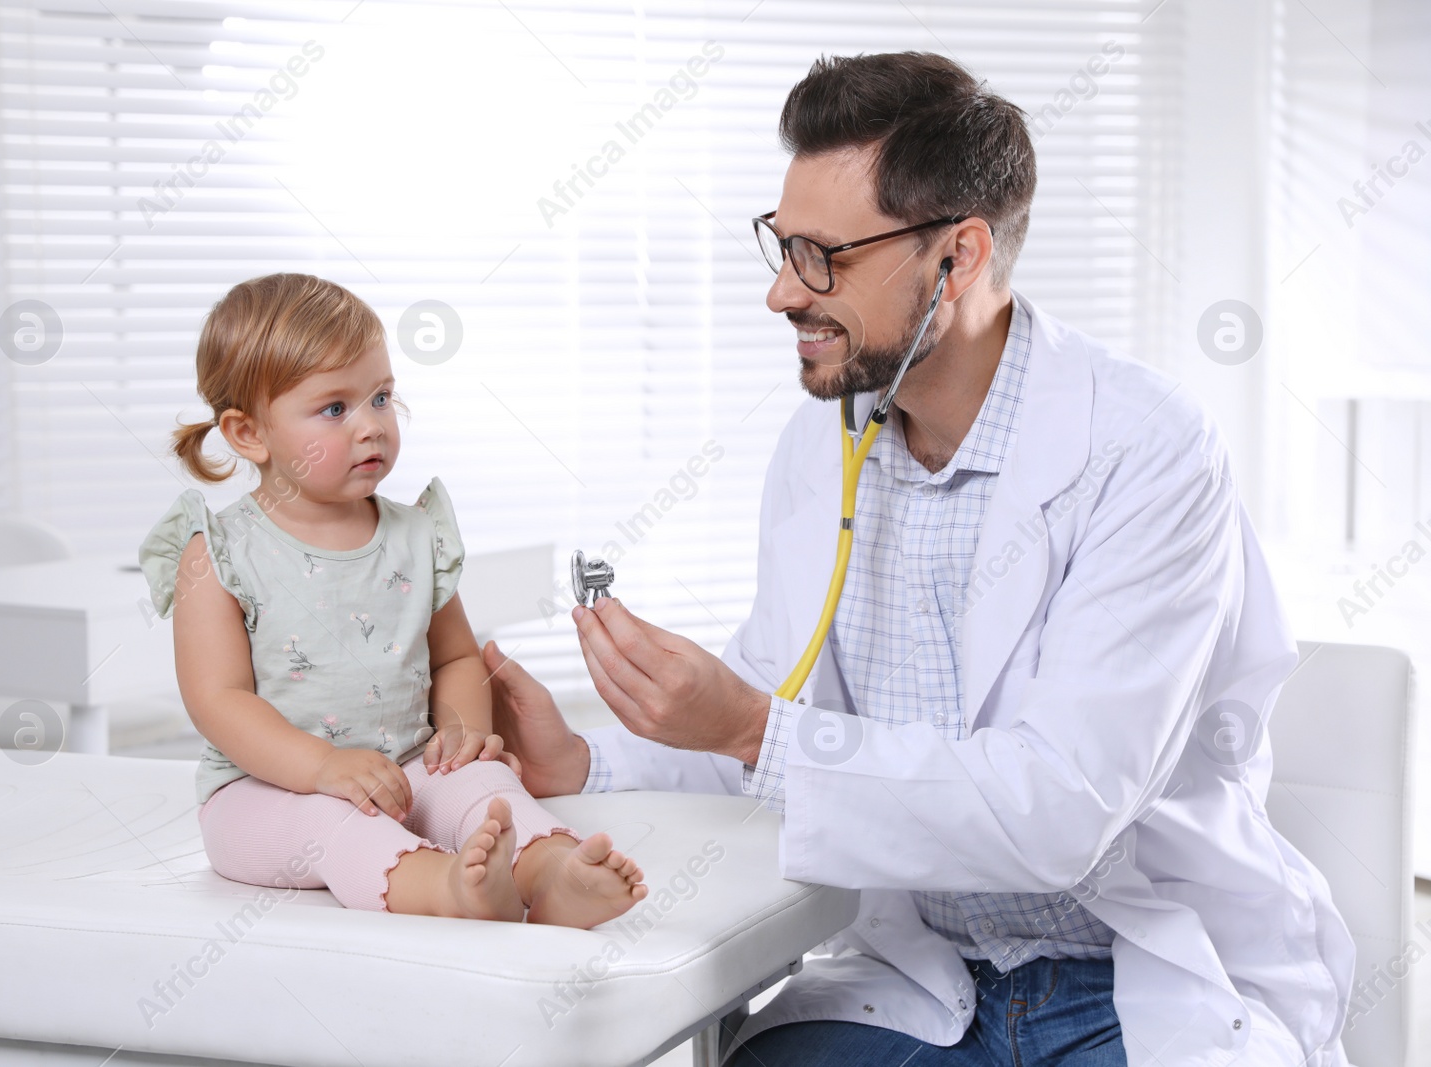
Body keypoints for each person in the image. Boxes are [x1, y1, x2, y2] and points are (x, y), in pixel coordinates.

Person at [479, 53, 1354, 1065]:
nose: (778, 293)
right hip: (919, 976)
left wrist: (758, 728)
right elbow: (774, 710)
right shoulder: (826, 445)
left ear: (959, 255)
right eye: (780, 245)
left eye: (823, 258)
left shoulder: (1144, 449)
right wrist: (587, 759)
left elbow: (1060, 807)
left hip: (1127, 974)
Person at [137, 272, 647, 927]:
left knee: (487, 786)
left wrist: (463, 733)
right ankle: (449, 890)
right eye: (334, 408)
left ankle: (550, 871)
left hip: (406, 767)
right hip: (265, 796)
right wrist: (322, 766)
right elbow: (218, 700)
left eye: (381, 397)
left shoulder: (413, 536)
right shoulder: (220, 552)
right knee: (336, 821)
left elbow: (456, 657)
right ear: (248, 434)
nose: (371, 426)